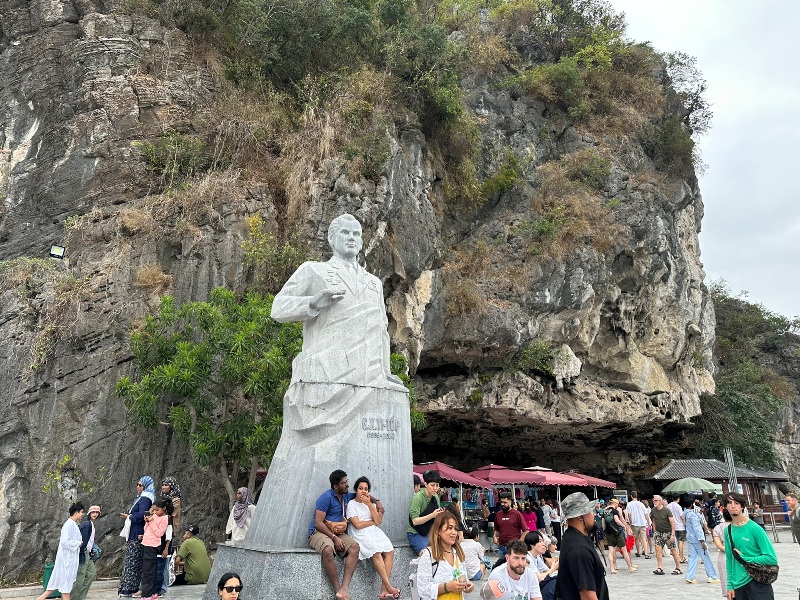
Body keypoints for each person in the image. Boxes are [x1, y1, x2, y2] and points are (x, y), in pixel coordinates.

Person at [309, 469, 382, 600]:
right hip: (320, 532)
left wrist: (377, 501)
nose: (347, 484)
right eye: (344, 483)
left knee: (355, 547)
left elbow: (363, 495)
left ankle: (344, 589)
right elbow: (318, 523)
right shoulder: (325, 498)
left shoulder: (346, 496)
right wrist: (334, 538)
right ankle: (338, 591)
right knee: (327, 550)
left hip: (338, 532)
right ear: (335, 486)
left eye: (347, 481)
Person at [346, 476, 399, 600]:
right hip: (359, 533)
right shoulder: (351, 504)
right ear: (356, 490)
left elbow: (379, 520)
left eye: (365, 489)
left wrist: (370, 504)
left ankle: (383, 591)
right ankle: (388, 586)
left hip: (373, 531)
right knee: (376, 551)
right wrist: (372, 522)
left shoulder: (369, 504)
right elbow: (357, 524)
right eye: (360, 488)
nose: (363, 491)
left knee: (389, 551)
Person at [723, 492, 777, 600]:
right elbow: (729, 559)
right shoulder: (727, 531)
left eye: (737, 503)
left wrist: (747, 558)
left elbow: (771, 558)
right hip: (738, 585)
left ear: (742, 506)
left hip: (757, 582)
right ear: (725, 506)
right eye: (729, 503)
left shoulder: (755, 529)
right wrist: (729, 585)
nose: (733, 506)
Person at [555, 492, 607, 600]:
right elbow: (587, 595)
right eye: (590, 511)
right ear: (580, 516)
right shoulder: (578, 549)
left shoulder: (572, 538)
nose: (593, 515)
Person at [415, 511, 475, 599]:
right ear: (438, 530)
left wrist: (467, 584)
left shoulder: (458, 553)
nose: (454, 532)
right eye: (450, 528)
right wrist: (447, 587)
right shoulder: (428, 555)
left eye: (455, 528)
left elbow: (462, 577)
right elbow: (423, 590)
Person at [36, 502, 85, 600]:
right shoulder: (69, 525)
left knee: (59, 582)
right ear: (76, 513)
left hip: (68, 558)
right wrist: (78, 543)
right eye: (81, 512)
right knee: (65, 584)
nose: (82, 514)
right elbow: (65, 541)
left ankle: (40, 599)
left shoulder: (72, 524)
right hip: (67, 559)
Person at [118, 476, 155, 597]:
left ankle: (129, 588)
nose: (137, 487)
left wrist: (128, 516)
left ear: (145, 486)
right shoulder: (141, 497)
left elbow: (141, 516)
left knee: (132, 562)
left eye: (140, 485)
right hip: (134, 533)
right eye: (137, 484)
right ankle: (127, 587)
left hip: (137, 534)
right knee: (131, 561)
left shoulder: (145, 498)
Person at [682, 495, 719, 584]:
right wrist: (702, 541)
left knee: (692, 557)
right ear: (692, 504)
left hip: (690, 538)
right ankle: (712, 576)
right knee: (706, 556)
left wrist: (700, 512)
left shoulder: (686, 513)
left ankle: (690, 576)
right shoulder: (692, 515)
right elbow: (697, 528)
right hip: (697, 539)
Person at [408, 470, 444, 555]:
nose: (435, 488)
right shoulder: (418, 498)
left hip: (430, 532)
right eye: (432, 485)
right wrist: (433, 515)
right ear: (426, 484)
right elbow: (415, 521)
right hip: (415, 533)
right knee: (427, 555)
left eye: (437, 485)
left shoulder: (436, 497)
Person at [140, 499, 169, 600]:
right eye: (154, 510)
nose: (155, 512)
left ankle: (147, 594)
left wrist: (151, 522)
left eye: (157, 510)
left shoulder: (165, 519)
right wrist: (147, 521)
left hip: (153, 545)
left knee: (149, 570)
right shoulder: (154, 516)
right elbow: (146, 529)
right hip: (145, 543)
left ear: (164, 509)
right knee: (146, 570)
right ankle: (149, 593)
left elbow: (159, 533)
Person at [71, 505, 100, 600]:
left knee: (92, 574)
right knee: (80, 577)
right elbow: (82, 540)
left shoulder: (91, 524)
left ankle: (80, 597)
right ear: (89, 513)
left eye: (97, 512)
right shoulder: (87, 524)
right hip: (83, 553)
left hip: (88, 552)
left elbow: (89, 541)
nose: (95, 514)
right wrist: (82, 552)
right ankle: (73, 598)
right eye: (93, 512)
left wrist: (91, 550)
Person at [649, 495, 681, 576]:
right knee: (658, 549)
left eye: (656, 500)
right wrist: (655, 530)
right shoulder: (653, 510)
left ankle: (678, 568)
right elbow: (653, 520)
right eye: (653, 501)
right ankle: (660, 567)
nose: (654, 502)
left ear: (660, 501)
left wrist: (672, 535)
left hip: (668, 532)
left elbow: (672, 522)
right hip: (658, 533)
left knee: (673, 550)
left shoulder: (667, 511)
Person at [604, 498, 636, 574]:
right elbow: (617, 520)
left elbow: (603, 523)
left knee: (611, 551)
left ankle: (612, 568)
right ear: (615, 504)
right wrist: (624, 526)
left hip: (609, 533)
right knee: (624, 550)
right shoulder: (615, 511)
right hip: (617, 533)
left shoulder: (605, 511)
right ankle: (630, 567)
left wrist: (605, 530)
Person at [493, 493, 529, 559]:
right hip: (502, 547)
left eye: (505, 502)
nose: (503, 504)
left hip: (514, 548)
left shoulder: (517, 514)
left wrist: (519, 542)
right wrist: (495, 536)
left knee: (513, 567)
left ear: (510, 502)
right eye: (501, 502)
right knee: (501, 567)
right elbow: (496, 528)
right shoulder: (498, 514)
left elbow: (526, 531)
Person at [712, 508, 732, 598]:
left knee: (727, 583)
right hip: (741, 555)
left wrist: (729, 550)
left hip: (724, 556)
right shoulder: (740, 526)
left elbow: (719, 545)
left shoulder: (718, 527)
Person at [626, 491, 651, 559]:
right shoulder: (641, 504)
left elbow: (629, 515)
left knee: (636, 538)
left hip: (634, 523)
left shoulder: (629, 504)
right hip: (642, 523)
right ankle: (646, 553)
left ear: (631, 496)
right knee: (643, 538)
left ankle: (638, 552)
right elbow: (646, 514)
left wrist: (630, 522)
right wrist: (649, 523)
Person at [667, 495, 687, 563]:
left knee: (673, 541)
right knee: (680, 541)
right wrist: (685, 523)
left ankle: (676, 556)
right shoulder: (678, 506)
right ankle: (681, 557)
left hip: (672, 526)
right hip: (680, 526)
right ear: (678, 499)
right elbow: (681, 516)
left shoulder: (668, 506)